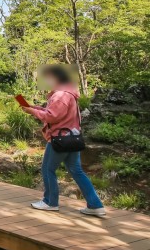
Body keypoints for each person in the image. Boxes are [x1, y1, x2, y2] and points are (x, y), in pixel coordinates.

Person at [21, 65, 105, 217]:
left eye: (47, 77)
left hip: (60, 139)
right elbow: (55, 111)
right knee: (77, 171)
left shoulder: (60, 95)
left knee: (48, 169)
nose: (45, 80)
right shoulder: (69, 93)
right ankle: (95, 205)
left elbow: (52, 116)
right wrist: (34, 107)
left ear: (55, 77)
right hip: (72, 138)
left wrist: (32, 111)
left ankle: (50, 202)